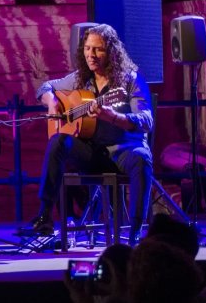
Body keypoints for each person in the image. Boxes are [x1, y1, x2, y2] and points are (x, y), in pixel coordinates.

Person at [31, 24, 154, 244]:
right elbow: (45, 87)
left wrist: (113, 117)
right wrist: (51, 102)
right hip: (92, 153)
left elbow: (147, 120)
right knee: (59, 140)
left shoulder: (130, 80)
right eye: (87, 48)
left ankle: (135, 231)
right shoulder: (81, 79)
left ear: (112, 52)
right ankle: (45, 215)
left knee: (142, 158)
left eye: (98, 49)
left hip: (123, 150)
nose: (91, 55)